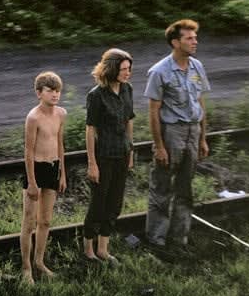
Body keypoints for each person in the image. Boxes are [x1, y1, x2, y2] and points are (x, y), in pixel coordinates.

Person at [144, 19, 210, 255]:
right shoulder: (160, 71)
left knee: (185, 188)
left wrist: (203, 137)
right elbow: (153, 111)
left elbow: (200, 102)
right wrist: (159, 146)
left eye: (195, 37)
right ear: (175, 42)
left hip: (193, 131)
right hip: (171, 133)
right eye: (189, 38)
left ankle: (179, 240)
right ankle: (156, 241)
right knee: (162, 187)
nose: (195, 42)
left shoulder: (197, 67)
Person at [82, 49, 135, 266]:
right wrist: (92, 163)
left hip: (121, 154)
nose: (127, 73)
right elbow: (90, 130)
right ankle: (88, 251)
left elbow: (128, 121)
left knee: (114, 204)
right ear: (112, 69)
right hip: (103, 157)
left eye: (129, 69)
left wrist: (130, 152)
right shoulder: (96, 95)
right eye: (123, 69)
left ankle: (103, 249)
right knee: (98, 204)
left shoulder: (127, 89)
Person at [20, 71, 67, 284]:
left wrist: (62, 174)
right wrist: (31, 182)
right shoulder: (33, 117)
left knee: (45, 220)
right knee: (29, 222)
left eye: (57, 90)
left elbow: (60, 144)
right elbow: (28, 151)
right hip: (35, 170)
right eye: (50, 91)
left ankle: (39, 261)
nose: (55, 94)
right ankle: (26, 268)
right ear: (39, 93)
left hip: (53, 168)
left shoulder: (61, 114)